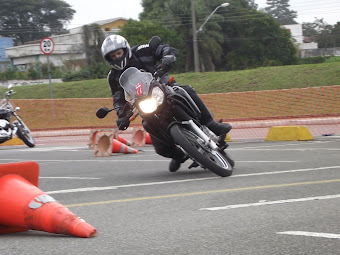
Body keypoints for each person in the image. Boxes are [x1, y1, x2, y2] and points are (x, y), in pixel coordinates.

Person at [101, 35, 232, 172]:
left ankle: (211, 123)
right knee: (153, 134)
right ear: (109, 59)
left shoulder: (141, 50)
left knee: (184, 89)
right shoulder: (113, 77)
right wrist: (122, 115)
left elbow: (163, 48)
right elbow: (118, 98)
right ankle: (178, 155)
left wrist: (168, 56)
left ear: (125, 49)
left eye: (118, 53)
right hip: (144, 102)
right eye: (113, 56)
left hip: (163, 87)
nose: (117, 57)